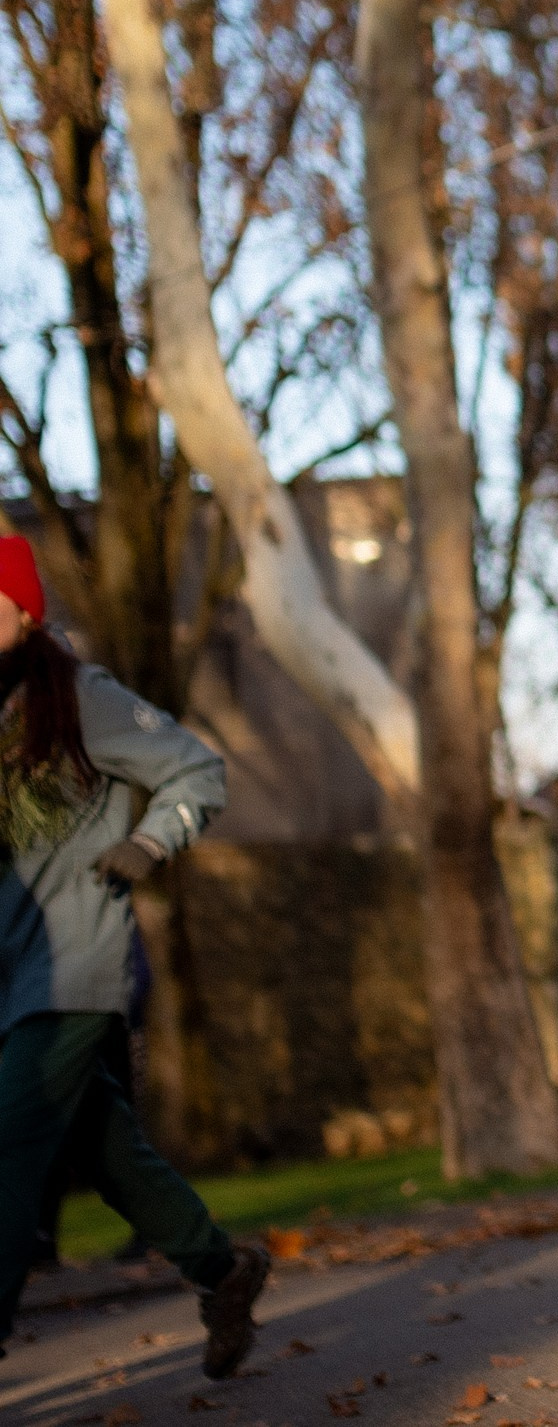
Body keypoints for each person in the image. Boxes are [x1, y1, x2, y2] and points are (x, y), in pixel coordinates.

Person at [0, 537, 262, 1377]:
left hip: (77, 963)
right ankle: (222, 1270)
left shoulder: (81, 696)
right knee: (107, 1151)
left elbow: (197, 769)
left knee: (8, 1144)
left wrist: (150, 842)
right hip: (11, 973)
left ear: (24, 611)